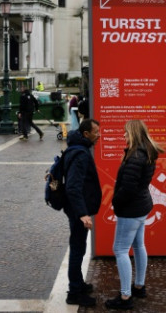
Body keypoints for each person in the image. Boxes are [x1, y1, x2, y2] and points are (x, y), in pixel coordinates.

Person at [105, 120, 164, 310]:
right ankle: (139, 286)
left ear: (134, 134)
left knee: (120, 250)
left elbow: (128, 188)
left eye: (126, 133)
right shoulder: (146, 151)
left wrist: (115, 202)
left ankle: (125, 297)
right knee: (139, 246)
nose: (124, 136)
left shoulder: (135, 156)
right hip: (142, 206)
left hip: (130, 210)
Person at [63, 118, 102, 307]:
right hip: (78, 210)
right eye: (96, 131)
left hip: (77, 208)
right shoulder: (81, 154)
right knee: (77, 249)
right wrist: (82, 213)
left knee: (79, 247)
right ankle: (74, 293)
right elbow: (72, 187)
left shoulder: (78, 147)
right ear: (86, 134)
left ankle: (78, 284)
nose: (99, 134)